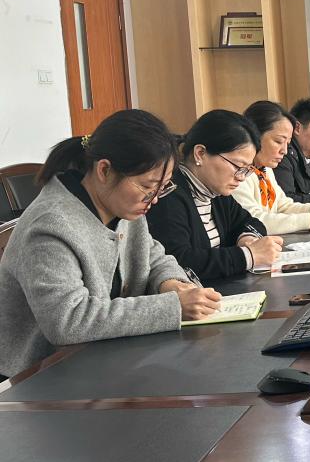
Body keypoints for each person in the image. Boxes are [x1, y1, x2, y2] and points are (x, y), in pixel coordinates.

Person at [0, 110, 221, 380]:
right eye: (148, 187)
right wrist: (173, 306)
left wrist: (171, 283)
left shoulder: (120, 205)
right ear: (104, 170)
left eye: (162, 187)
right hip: (38, 377)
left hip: (101, 359)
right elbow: (68, 321)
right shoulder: (51, 225)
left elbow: (153, 256)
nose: (154, 199)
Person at [147, 110, 284, 283]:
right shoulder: (169, 195)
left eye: (247, 170)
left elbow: (249, 222)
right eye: (238, 166)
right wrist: (247, 256)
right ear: (200, 153)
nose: (241, 177)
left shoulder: (216, 193)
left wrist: (248, 238)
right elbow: (178, 261)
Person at [233, 101, 310, 234]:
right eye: (278, 141)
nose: (284, 151)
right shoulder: (237, 173)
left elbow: (283, 205)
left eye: (288, 143)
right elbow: (254, 220)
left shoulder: (265, 169)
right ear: (254, 135)